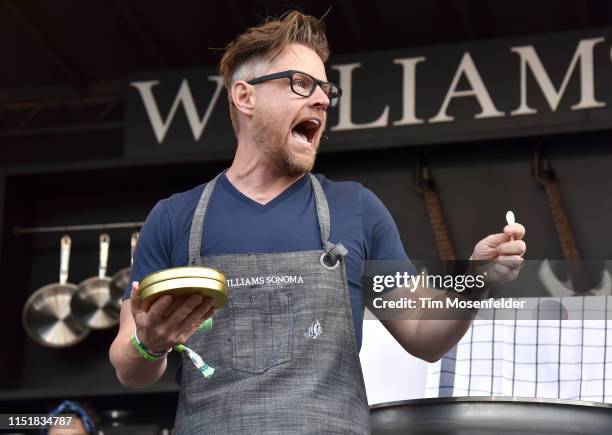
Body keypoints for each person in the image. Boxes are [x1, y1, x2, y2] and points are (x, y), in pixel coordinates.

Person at [109, 11, 526, 434]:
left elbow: (423, 333)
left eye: (326, 89)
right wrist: (150, 344)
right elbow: (130, 367)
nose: (323, 100)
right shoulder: (173, 218)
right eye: (301, 84)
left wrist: (476, 278)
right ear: (245, 97)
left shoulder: (357, 209)